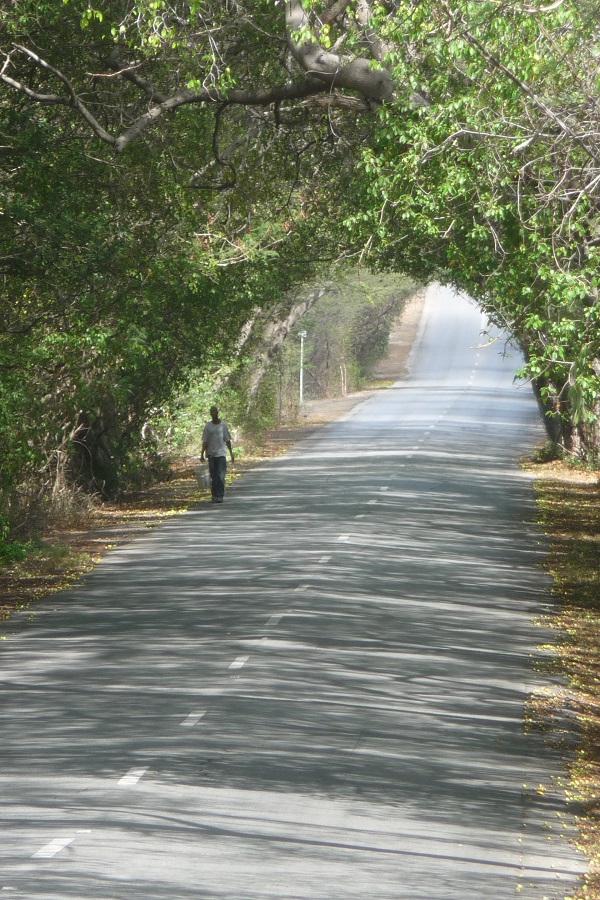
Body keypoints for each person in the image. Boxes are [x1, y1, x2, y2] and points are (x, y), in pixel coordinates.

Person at [200, 406, 234, 503]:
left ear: (217, 412)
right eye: (211, 411)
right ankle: (214, 495)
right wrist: (202, 454)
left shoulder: (223, 425)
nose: (213, 413)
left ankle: (220, 495)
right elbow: (205, 441)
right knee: (213, 476)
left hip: (221, 454)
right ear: (210, 413)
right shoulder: (208, 426)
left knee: (221, 476)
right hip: (211, 455)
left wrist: (231, 453)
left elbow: (227, 440)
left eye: (214, 411)